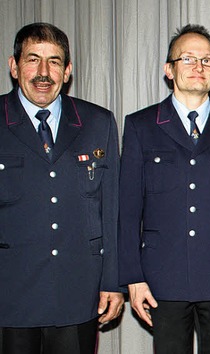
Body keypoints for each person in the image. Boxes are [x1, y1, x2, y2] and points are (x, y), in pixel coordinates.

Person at [118, 24, 210, 354]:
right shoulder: (140, 126)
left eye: (207, 60)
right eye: (188, 58)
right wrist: (133, 277)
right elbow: (128, 210)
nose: (198, 67)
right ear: (169, 69)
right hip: (162, 279)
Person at [0, 22, 123, 354]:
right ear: (14, 66)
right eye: (32, 59)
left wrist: (112, 282)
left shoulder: (98, 122)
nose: (43, 72)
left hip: (76, 293)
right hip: (9, 296)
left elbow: (111, 210)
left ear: (67, 71)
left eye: (54, 61)